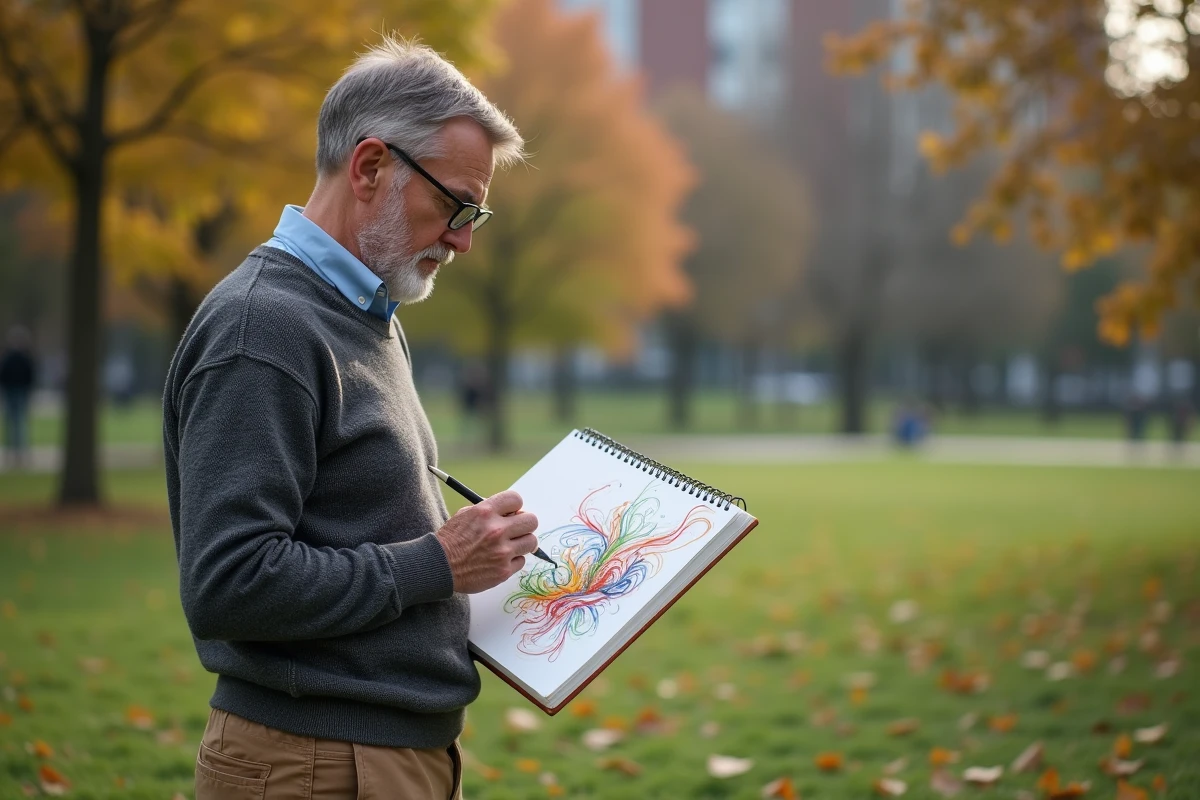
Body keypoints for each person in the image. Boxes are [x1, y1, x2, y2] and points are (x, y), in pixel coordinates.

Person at [162, 38, 530, 799]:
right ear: (369, 168)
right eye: (455, 206)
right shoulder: (262, 329)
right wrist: (438, 562)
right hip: (318, 764)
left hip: (377, 756)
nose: (463, 240)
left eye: (476, 215)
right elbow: (229, 583)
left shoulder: (363, 314)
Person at [0, 325, 36, 469]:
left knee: (18, 424)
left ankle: (18, 453)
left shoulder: (15, 358)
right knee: (15, 424)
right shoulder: (16, 358)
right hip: (13, 392)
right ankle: (14, 453)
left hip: (18, 392)